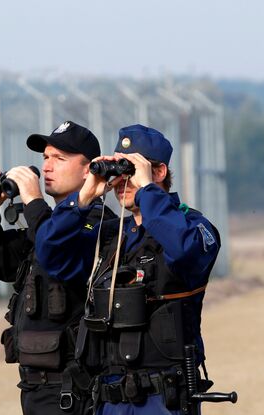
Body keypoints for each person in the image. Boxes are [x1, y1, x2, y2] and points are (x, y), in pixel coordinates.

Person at [35, 124, 221, 415]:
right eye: (117, 172)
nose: (121, 181)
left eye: (130, 171)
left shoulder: (193, 227)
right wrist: (82, 199)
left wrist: (147, 191)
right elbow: (50, 253)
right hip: (109, 400)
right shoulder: (108, 236)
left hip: (164, 400)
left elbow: (184, 251)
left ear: (158, 172)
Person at [0, 121, 116, 415]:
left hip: (75, 390)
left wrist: (33, 200)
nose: (47, 167)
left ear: (89, 170)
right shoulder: (45, 226)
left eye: (59, 159)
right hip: (36, 389)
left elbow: (55, 249)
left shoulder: (97, 223)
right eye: (45, 158)